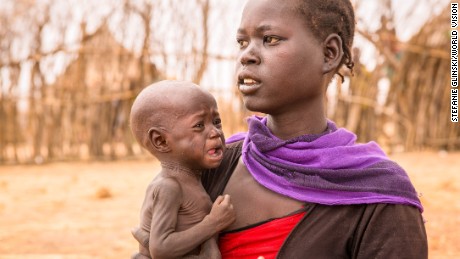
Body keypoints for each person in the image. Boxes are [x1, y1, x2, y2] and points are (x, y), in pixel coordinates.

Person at [134, 0, 428, 258]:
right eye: (242, 42)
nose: (247, 55)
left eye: (270, 39)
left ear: (329, 54)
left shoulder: (380, 195)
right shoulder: (214, 164)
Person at [129, 80, 236, 258]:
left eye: (216, 122)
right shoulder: (169, 186)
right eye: (199, 125)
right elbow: (161, 249)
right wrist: (213, 223)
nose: (215, 132)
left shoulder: (195, 178)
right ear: (161, 141)